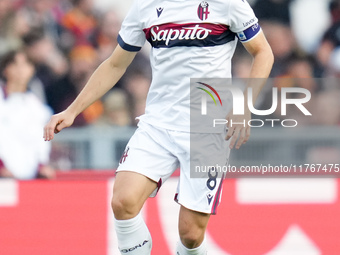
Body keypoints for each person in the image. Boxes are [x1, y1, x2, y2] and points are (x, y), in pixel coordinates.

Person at [44, 0, 273, 254]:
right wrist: (73, 110)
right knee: (123, 201)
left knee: (191, 235)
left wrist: (244, 107)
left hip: (207, 130)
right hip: (158, 123)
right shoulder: (145, 7)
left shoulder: (228, 4)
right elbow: (115, 64)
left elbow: (263, 52)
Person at [0, 49, 55, 179]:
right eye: (15, 65)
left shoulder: (36, 107)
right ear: (5, 69)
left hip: (28, 175)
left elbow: (41, 140)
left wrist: (42, 165)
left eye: (26, 65)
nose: (21, 70)